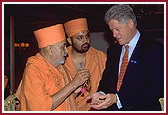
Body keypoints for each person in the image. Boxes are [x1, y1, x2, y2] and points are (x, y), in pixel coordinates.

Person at [87, 4, 164, 111]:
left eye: (118, 29)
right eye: (112, 30)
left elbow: (153, 88)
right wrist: (101, 94)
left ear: (130, 23)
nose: (114, 34)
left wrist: (118, 99)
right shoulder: (113, 51)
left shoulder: (154, 49)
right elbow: (106, 81)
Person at [17, 24, 90, 111]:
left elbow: (65, 99)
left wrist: (76, 91)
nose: (66, 51)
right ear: (49, 50)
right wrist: (73, 84)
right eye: (63, 47)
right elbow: (41, 107)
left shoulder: (60, 67)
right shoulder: (33, 70)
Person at [63, 18, 107, 111]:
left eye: (87, 36)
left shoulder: (99, 56)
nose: (85, 41)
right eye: (80, 38)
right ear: (70, 41)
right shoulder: (62, 61)